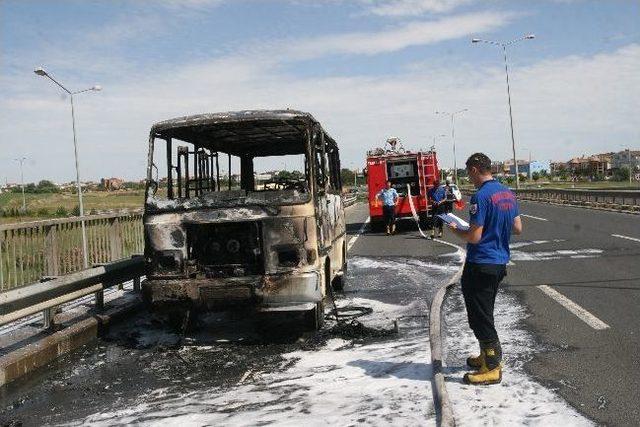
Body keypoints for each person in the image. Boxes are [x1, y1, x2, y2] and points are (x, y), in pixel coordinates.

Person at [447, 153, 522, 385]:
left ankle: (492, 366)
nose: (469, 177)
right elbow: (517, 228)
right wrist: (495, 229)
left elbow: (475, 237)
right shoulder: (507, 193)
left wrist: (455, 230)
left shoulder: (480, 196)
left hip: (480, 263)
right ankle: (486, 355)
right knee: (485, 312)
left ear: (476, 169)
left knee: (479, 317)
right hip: (499, 263)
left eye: (469, 172)